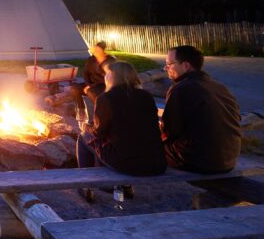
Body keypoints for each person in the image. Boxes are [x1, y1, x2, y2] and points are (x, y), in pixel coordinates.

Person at [76, 61, 167, 201]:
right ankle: (122, 186)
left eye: (107, 74)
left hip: (128, 163)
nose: (104, 77)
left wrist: (86, 127)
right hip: (155, 162)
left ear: (114, 77)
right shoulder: (146, 96)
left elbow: (98, 133)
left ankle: (86, 185)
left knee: (83, 137)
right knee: (112, 143)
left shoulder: (105, 99)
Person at [161, 45, 241, 174]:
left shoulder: (181, 89)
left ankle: (122, 189)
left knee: (143, 146)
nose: (166, 68)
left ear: (186, 65)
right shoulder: (220, 87)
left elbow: (169, 131)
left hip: (198, 161)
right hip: (229, 159)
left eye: (169, 64)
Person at [70, 41, 117, 115]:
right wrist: (89, 85)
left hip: (104, 85)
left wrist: (91, 87)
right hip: (92, 83)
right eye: (95, 49)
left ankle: (101, 114)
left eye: (97, 50)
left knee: (91, 92)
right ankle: (81, 111)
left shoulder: (110, 61)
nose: (95, 51)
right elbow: (86, 73)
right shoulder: (91, 59)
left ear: (103, 50)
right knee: (75, 88)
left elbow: (110, 78)